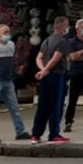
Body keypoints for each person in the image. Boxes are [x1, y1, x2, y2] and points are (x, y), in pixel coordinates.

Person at [31, 15, 71, 144]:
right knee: (56, 105)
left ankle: (36, 134)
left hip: (45, 76)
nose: (67, 27)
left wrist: (42, 70)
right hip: (56, 75)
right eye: (67, 25)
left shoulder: (47, 40)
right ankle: (54, 134)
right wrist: (46, 70)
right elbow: (56, 58)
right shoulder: (62, 41)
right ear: (62, 26)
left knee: (43, 105)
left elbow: (39, 57)